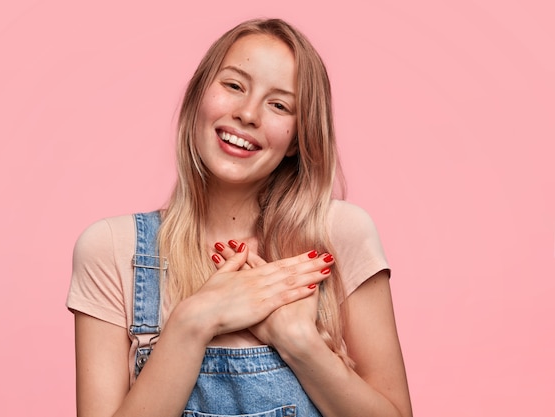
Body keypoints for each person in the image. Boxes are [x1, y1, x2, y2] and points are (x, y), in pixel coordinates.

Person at [67, 18, 412, 417]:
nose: (248, 114)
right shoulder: (112, 250)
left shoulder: (340, 234)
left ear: (296, 140)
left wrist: (301, 343)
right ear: (198, 95)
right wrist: (193, 322)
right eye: (234, 86)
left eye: (279, 105)